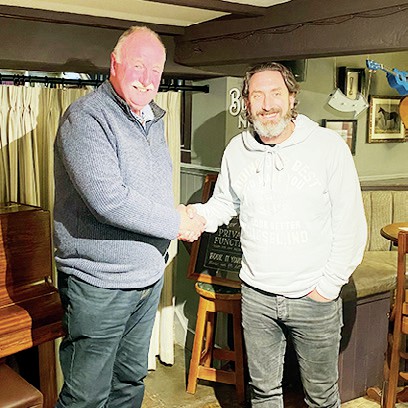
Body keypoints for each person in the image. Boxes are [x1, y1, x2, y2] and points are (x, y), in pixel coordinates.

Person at [189, 62, 367, 407]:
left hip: (313, 297)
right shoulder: (237, 150)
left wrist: (328, 287)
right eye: (257, 95)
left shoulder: (328, 146)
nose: (267, 104)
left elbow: (350, 224)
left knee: (321, 396)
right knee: (264, 391)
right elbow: (224, 203)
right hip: (256, 296)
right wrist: (190, 217)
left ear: (291, 98)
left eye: (275, 93)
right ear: (247, 102)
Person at [53, 26, 204, 408]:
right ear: (115, 64)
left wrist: (175, 212)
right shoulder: (87, 117)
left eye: (156, 70)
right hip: (99, 284)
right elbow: (108, 200)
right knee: (86, 395)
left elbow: (146, 193)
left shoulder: (152, 118)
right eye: (139, 65)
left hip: (147, 278)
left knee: (129, 382)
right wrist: (175, 223)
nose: (147, 78)